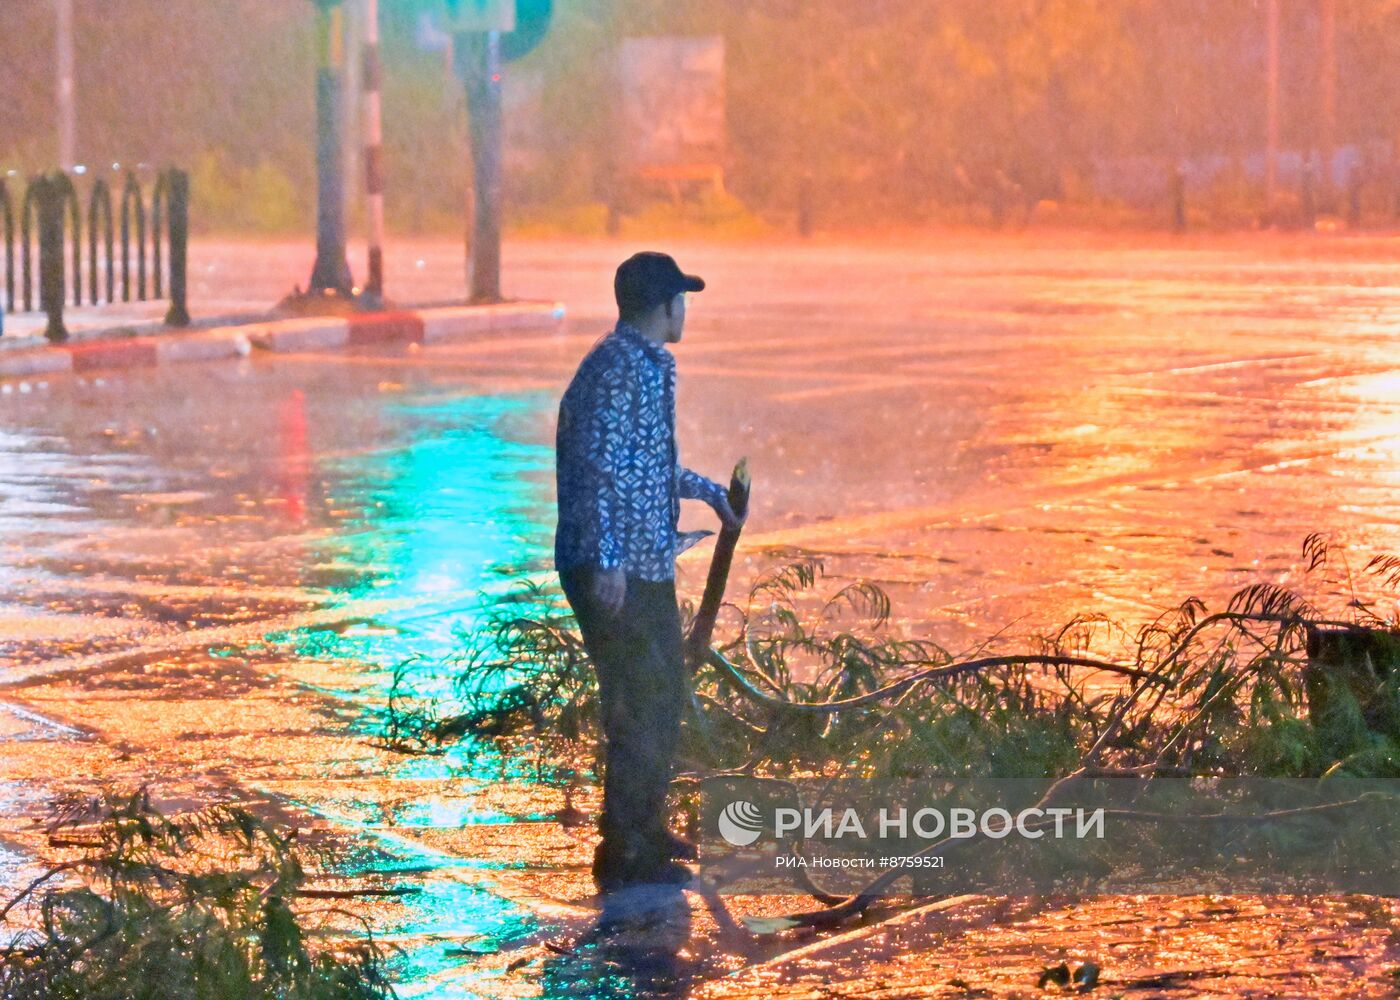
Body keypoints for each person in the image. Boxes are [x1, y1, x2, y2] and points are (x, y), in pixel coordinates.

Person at [554, 251, 745, 891]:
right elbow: (598, 466)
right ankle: (626, 844)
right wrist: (605, 561)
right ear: (664, 306)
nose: (685, 309)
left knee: (659, 695)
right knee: (640, 698)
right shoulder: (615, 370)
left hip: (644, 559)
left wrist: (707, 492)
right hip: (615, 566)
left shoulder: (644, 366)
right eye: (680, 299)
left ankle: (643, 826)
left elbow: (647, 468)